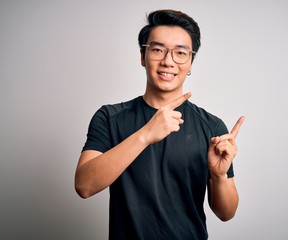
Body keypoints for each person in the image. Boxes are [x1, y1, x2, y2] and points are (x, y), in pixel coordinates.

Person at [75, 9, 245, 240]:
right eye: (157, 50)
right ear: (142, 56)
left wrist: (219, 176)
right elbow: (84, 186)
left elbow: (226, 213)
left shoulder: (212, 126)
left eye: (180, 53)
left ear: (191, 62)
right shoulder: (109, 117)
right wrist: (145, 135)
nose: (168, 61)